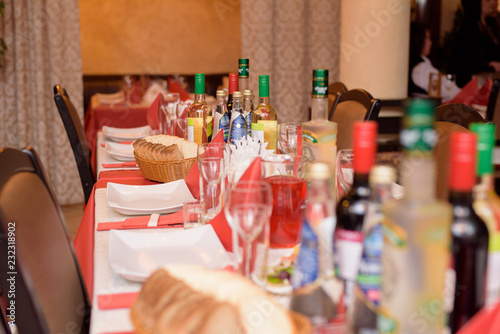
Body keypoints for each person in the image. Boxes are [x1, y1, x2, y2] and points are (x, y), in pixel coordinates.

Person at [450, 0, 500, 87]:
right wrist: (490, 66)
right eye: (488, 0)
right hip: (476, 86)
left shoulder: (487, 25)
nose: (494, 2)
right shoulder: (470, 27)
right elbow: (467, 62)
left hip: (485, 82)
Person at [409, 22, 461, 101]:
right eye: (428, 38)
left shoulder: (419, 63)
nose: (431, 43)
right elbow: (442, 92)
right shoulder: (421, 68)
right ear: (419, 40)